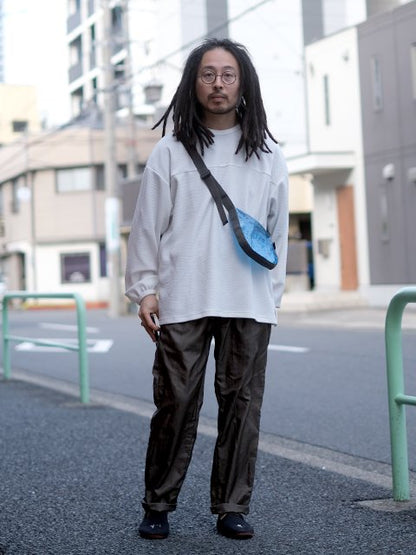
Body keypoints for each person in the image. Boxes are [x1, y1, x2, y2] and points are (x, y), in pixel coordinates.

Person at [125, 37, 288, 540]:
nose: (218, 83)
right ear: (193, 84)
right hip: (184, 296)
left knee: (242, 408)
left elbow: (277, 233)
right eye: (208, 74)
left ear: (243, 85)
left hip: (248, 299)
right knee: (175, 402)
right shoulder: (170, 151)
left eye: (228, 74)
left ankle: (232, 507)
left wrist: (271, 301)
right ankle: (158, 503)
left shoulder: (267, 154)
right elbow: (147, 227)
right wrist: (145, 289)